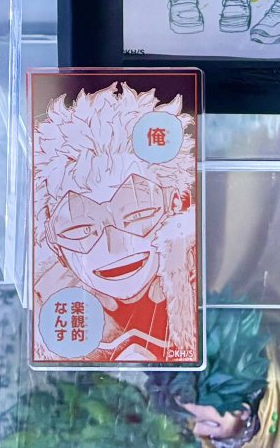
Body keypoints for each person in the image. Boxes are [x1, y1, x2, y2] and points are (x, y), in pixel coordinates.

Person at [31, 81, 198, 363]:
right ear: (53, 242)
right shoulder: (48, 309)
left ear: (174, 204)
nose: (115, 246)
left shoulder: (199, 277)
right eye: (80, 228)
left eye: (138, 215)